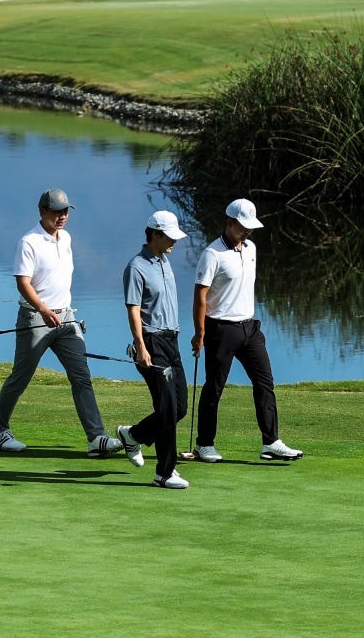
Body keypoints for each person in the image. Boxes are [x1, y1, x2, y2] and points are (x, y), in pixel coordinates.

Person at [0, 188, 124, 457]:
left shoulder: (66, 238)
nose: (62, 216)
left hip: (66, 319)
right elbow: (22, 283)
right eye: (57, 211)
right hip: (35, 318)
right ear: (42, 211)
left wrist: (59, 311)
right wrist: (43, 309)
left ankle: (96, 437)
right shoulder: (29, 242)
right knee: (21, 377)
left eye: (65, 211)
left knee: (81, 376)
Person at [190, 198, 303, 463]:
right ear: (229, 222)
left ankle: (270, 442)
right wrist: (200, 332)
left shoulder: (251, 247)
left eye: (250, 227)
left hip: (250, 328)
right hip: (220, 329)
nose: (247, 231)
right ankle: (204, 444)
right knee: (214, 388)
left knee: (265, 383)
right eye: (242, 226)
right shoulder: (212, 254)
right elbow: (200, 296)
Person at [114, 210, 191, 489]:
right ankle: (164, 473)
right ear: (155, 235)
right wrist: (140, 346)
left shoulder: (164, 261)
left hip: (172, 341)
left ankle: (133, 435)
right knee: (167, 408)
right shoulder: (136, 267)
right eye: (170, 237)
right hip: (151, 343)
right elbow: (133, 309)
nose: (174, 242)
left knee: (179, 407)